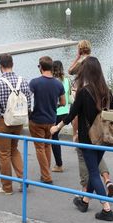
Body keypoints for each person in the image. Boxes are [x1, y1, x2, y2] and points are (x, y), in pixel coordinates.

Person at [51, 57, 113, 221]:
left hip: (87, 140)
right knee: (94, 169)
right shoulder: (106, 92)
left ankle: (107, 209)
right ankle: (85, 201)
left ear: (86, 72)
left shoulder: (84, 92)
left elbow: (72, 114)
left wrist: (57, 127)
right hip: (103, 139)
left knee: (93, 173)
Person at [68, 40, 113, 196]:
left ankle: (93, 197)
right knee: (95, 160)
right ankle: (105, 182)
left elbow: (73, 114)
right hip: (101, 129)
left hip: (85, 129)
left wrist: (72, 131)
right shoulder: (102, 84)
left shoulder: (82, 80)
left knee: (85, 158)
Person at [0, 53, 31, 195]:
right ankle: (23, 180)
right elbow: (29, 103)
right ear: (12, 64)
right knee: (14, 149)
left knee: (4, 154)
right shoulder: (23, 81)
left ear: (0, 67)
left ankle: (6, 187)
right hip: (18, 121)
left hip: (3, 122)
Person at [29, 56, 65, 184]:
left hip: (37, 119)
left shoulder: (34, 82)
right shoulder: (58, 84)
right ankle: (46, 173)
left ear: (41, 67)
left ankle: (46, 176)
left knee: (39, 148)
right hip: (51, 119)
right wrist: (54, 105)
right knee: (47, 146)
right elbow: (63, 102)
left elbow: (28, 99)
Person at [51, 60, 70, 172]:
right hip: (65, 112)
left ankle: (59, 164)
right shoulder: (67, 80)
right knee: (54, 136)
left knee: (53, 137)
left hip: (56, 112)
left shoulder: (53, 82)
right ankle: (58, 163)